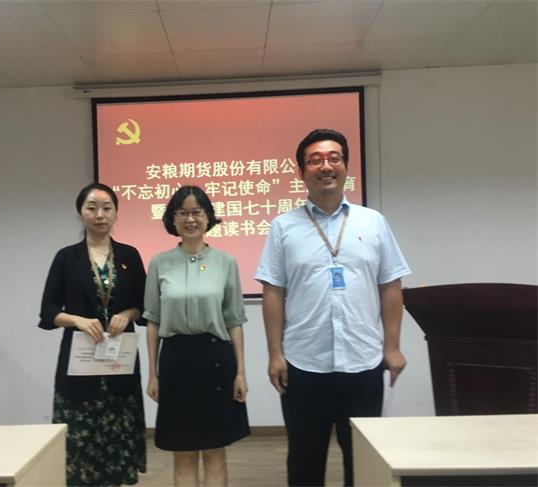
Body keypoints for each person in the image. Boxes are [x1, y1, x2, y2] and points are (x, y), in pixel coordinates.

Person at [255, 129, 411, 487]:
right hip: (303, 364)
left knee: (364, 463)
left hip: (363, 362)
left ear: (345, 166)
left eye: (334, 158)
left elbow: (390, 286)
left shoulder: (373, 222)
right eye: (315, 160)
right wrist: (275, 354)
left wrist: (392, 346)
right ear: (301, 172)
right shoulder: (283, 227)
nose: (325, 166)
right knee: (305, 461)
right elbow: (273, 292)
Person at [38, 182, 147, 487]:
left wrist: (127, 314)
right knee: (80, 453)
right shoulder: (66, 258)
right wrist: (77, 320)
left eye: (107, 208)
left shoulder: (130, 255)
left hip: (119, 364)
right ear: (80, 213)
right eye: (92, 208)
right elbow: (47, 311)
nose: (100, 215)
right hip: (80, 366)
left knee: (117, 449)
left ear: (116, 214)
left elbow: (144, 306)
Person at [144, 185, 250, 487]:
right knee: (183, 452)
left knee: (215, 451)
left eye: (197, 212)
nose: (190, 219)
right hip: (176, 361)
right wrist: (153, 374)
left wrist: (240, 372)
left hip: (216, 360)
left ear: (208, 217)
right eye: (182, 213)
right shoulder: (159, 263)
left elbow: (234, 321)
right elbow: (152, 321)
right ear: (172, 219)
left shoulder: (226, 262)